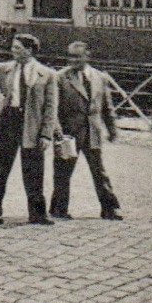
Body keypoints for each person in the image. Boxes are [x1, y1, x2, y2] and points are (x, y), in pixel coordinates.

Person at [0, 33, 62, 226]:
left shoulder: (47, 74)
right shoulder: (1, 69)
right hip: (7, 124)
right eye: (13, 48)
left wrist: (47, 134)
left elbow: (50, 108)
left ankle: (38, 214)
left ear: (29, 50)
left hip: (32, 126)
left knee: (34, 172)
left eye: (17, 48)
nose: (12, 51)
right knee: (0, 171)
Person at [52, 41, 123, 221]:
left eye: (77, 56)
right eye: (70, 56)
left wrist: (112, 128)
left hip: (93, 132)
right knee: (63, 172)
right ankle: (59, 208)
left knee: (99, 172)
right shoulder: (60, 77)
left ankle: (110, 208)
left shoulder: (100, 78)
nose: (72, 60)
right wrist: (57, 129)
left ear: (87, 56)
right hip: (68, 134)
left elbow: (107, 106)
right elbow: (53, 108)